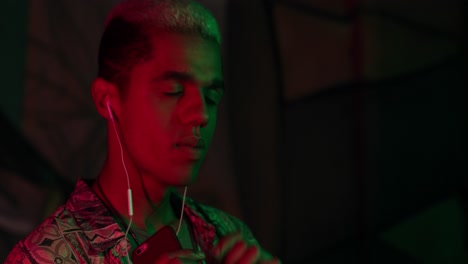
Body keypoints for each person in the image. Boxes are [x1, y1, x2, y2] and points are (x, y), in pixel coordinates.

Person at [5, 0, 281, 263]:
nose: (201, 114)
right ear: (107, 100)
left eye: (211, 96)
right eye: (173, 91)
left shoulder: (226, 233)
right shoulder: (43, 257)